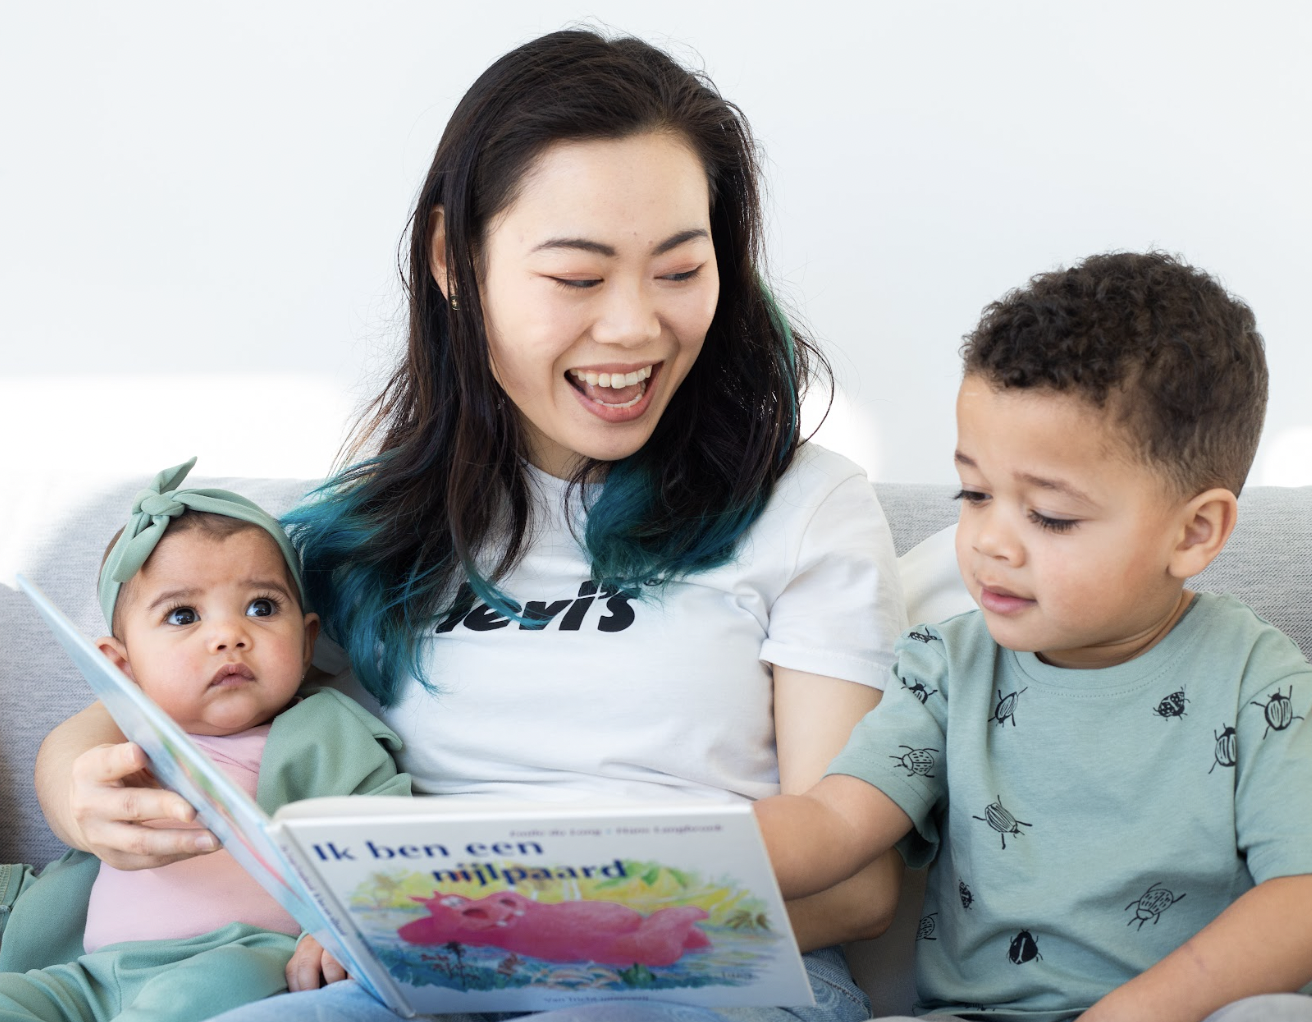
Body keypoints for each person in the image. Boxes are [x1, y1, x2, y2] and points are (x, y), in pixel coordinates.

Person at [33, 29, 907, 1022]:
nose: (632, 326)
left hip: (706, 974)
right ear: (457, 260)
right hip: (419, 979)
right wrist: (67, 774)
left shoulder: (804, 504)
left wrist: (515, 933)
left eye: (678, 270)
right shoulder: (372, 523)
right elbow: (196, 653)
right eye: (577, 277)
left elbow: (861, 885)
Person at [755, 251, 1312, 1022]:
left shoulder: (1261, 680)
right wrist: (681, 853)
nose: (991, 542)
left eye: (1049, 515)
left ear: (1195, 532)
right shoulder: (944, 670)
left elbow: (1302, 895)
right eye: (975, 494)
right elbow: (835, 822)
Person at [0, 459, 411, 1022]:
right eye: (183, 614)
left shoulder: (325, 734)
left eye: (261, 607)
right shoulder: (119, 749)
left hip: (240, 957)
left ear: (308, 639)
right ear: (120, 668)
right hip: (88, 974)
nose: (228, 636)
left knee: (193, 998)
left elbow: (386, 838)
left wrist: (348, 926)